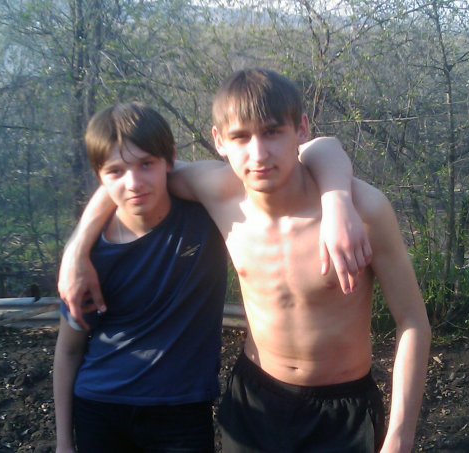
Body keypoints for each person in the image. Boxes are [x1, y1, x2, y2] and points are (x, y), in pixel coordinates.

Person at [60, 69, 431, 452]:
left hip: (343, 411)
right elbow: (129, 177)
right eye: (240, 137)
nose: (258, 154)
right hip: (255, 403)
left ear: (301, 130)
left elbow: (413, 321)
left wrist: (400, 437)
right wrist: (77, 248)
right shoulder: (218, 192)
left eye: (272, 132)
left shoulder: (363, 211)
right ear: (219, 140)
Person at [53, 103, 229, 452]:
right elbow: (69, 350)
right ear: (100, 176)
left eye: (146, 164)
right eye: (116, 171)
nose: (134, 183)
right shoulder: (91, 259)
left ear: (170, 159)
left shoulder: (206, 217)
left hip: (182, 411)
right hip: (100, 409)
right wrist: (63, 442)